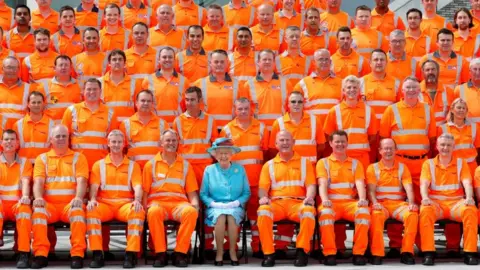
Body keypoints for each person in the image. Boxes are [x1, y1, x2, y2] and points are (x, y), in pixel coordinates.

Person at [31, 124, 89, 269]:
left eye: (64, 136)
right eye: (58, 136)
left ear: (69, 139)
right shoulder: (42, 159)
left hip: (70, 205)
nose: (61, 139)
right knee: (38, 213)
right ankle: (41, 254)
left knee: (78, 213)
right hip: (49, 206)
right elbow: (38, 181)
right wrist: (38, 198)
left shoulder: (78, 157)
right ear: (51, 139)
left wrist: (78, 198)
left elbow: (82, 180)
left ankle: (77, 254)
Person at [257, 131, 317, 267]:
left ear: (293, 142)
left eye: (288, 140)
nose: (285, 143)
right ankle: (268, 253)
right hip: (277, 203)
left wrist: (310, 197)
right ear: (276, 144)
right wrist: (263, 198)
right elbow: (262, 188)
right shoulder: (269, 165)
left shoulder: (304, 163)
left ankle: (302, 251)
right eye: (282, 140)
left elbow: (311, 184)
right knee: (263, 211)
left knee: (308, 212)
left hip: (298, 203)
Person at [86, 130, 145, 268]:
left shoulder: (133, 165)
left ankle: (130, 254)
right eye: (113, 142)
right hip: (105, 204)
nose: (116, 145)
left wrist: (137, 200)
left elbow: (138, 186)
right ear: (108, 143)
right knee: (92, 210)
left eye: (119, 142)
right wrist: (93, 199)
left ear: (124, 144)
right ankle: (97, 253)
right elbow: (94, 186)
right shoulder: (98, 165)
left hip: (125, 205)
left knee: (137, 211)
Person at [143, 129, 200, 268]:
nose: (171, 143)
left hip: (178, 205)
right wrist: (144, 209)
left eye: (174, 140)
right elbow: (145, 192)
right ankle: (160, 253)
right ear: (161, 143)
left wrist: (195, 205)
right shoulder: (150, 165)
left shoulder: (186, 165)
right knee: (153, 212)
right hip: (158, 204)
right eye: (168, 140)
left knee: (191, 212)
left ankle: (180, 253)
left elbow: (192, 192)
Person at [220, 98, 269, 257]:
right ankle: (230, 248)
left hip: (257, 180)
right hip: (234, 182)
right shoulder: (227, 130)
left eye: (246, 108)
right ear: (235, 110)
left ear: (251, 109)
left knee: (256, 216)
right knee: (233, 216)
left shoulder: (262, 128)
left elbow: (267, 154)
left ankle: (258, 247)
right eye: (240, 109)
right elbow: (222, 157)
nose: (243, 111)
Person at [419, 133, 478, 266]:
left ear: (453, 147)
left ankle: (470, 252)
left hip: (456, 204)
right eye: (442, 145)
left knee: (470, 211)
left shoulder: (460, 163)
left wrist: (469, 197)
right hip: (436, 204)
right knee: (425, 212)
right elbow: (424, 184)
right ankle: (428, 252)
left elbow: (467, 183)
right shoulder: (428, 164)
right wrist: (425, 198)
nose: (445, 148)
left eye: (449, 145)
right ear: (437, 146)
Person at [317, 130, 370, 266]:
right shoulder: (323, 163)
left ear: (347, 143)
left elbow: (360, 183)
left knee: (364, 213)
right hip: (331, 203)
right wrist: (324, 200)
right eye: (337, 142)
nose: (340, 144)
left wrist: (362, 199)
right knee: (326, 215)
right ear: (330, 143)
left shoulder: (355, 163)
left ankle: (358, 253)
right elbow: (322, 183)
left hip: (350, 203)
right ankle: (329, 253)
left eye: (343, 142)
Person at [200, 137, 251, 265]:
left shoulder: (240, 170)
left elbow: (246, 192)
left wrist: (236, 203)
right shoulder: (209, 170)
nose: (223, 156)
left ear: (232, 154)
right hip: (215, 207)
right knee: (221, 217)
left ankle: (233, 252)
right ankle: (219, 252)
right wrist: (213, 204)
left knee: (232, 218)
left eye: (227, 153)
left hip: (235, 206)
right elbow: (203, 193)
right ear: (215, 155)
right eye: (220, 153)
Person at [367, 138, 418, 265]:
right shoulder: (372, 168)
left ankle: (407, 252)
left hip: (398, 205)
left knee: (412, 215)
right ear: (380, 151)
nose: (388, 151)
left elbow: (409, 188)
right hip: (381, 204)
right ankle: (377, 253)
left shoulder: (402, 168)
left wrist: (411, 203)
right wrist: (374, 203)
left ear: (396, 150)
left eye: (391, 148)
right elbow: (371, 191)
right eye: (385, 148)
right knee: (376, 216)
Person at [62, 78, 119, 169]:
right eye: (88, 89)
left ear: (100, 91)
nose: (92, 92)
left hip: (102, 164)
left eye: (95, 89)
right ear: (83, 91)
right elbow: (63, 139)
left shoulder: (110, 113)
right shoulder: (71, 111)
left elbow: (114, 142)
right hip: (76, 164)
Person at [0, 129, 33, 269]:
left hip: (17, 204)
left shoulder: (24, 162)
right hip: (1, 204)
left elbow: (26, 181)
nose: (9, 142)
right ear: (1, 143)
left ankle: (23, 253)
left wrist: (25, 196)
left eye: (12, 139)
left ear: (17, 143)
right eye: (6, 139)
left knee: (25, 211)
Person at [119, 90, 168, 168]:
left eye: (149, 101)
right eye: (143, 100)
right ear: (136, 103)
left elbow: (167, 149)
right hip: (134, 169)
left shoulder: (162, 124)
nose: (146, 103)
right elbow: (121, 151)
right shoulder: (125, 124)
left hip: (156, 169)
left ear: (152, 104)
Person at [142, 46, 189, 125]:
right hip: (155, 126)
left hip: (177, 126)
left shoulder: (184, 81)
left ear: (174, 60)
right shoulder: (148, 81)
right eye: (164, 57)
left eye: (170, 57)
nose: (167, 59)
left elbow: (187, 107)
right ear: (159, 60)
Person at [438, 98, 480, 176]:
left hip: (471, 167)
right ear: (452, 110)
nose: (461, 110)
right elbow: (439, 151)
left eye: (464, 108)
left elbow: (478, 148)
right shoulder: (443, 128)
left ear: (466, 111)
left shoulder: (475, 127)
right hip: (452, 168)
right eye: (459, 107)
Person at [13, 91, 55, 164]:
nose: (36, 105)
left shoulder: (52, 124)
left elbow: (54, 148)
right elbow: (13, 148)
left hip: (44, 165)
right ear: (28, 104)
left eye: (39, 102)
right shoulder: (18, 125)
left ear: (43, 104)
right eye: (33, 102)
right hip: (23, 166)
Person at [419, 60, 454, 127]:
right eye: (427, 70)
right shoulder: (415, 91)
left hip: (443, 133)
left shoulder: (449, 91)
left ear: (438, 71)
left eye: (433, 69)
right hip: (424, 133)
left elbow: (452, 115)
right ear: (423, 72)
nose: (430, 72)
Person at [454, 58, 480, 124]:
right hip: (468, 131)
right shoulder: (459, 89)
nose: (478, 72)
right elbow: (452, 112)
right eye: (475, 69)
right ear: (469, 72)